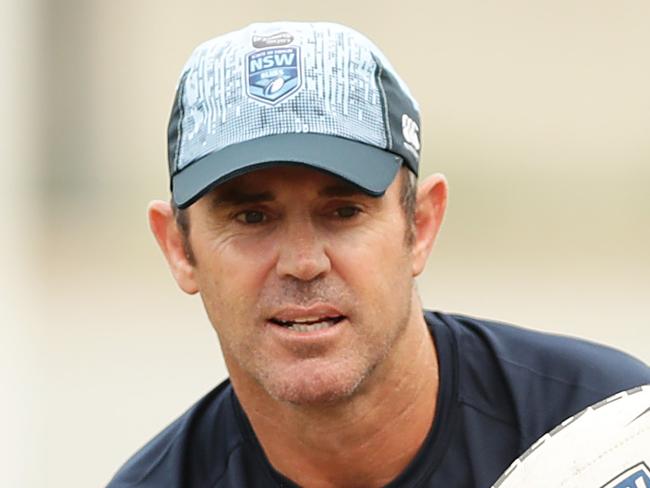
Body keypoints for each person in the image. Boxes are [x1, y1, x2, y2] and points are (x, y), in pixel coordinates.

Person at [107, 22, 650, 488]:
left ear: (421, 225)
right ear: (179, 249)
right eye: (252, 217)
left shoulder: (614, 434)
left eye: (343, 212)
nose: (303, 262)